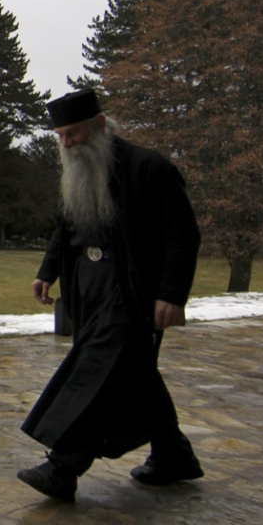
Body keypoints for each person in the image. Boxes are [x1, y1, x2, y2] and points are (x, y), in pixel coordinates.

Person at [17, 89, 203, 502]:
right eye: (60, 136)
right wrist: (47, 271)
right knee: (136, 371)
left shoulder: (149, 168)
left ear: (100, 125)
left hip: (132, 291)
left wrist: (172, 295)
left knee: (98, 371)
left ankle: (63, 466)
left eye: (73, 133)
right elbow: (66, 228)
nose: (66, 144)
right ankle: (173, 455)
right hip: (89, 292)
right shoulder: (79, 170)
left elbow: (182, 235)